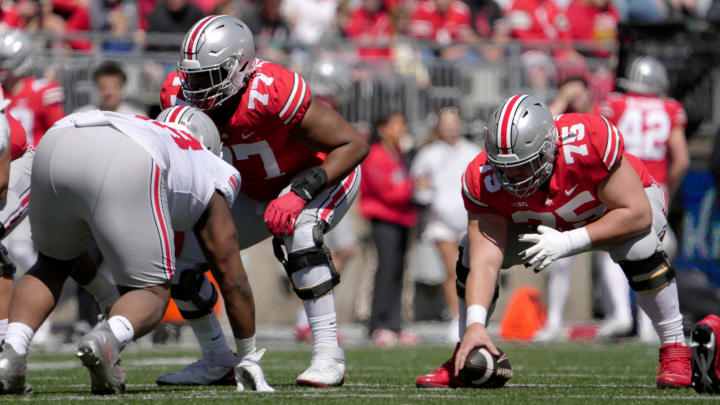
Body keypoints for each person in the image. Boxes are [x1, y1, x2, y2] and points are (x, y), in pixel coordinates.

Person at [416, 94, 691, 389]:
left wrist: (568, 242)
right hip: (545, 220)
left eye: (522, 165)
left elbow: (637, 213)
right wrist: (474, 324)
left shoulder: (589, 140)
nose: (511, 176)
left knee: (640, 245)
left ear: (549, 148)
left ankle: (676, 349)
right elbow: (485, 258)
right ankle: (465, 353)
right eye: (502, 167)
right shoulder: (481, 176)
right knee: (469, 253)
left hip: (615, 209)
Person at [157, 15, 368, 387]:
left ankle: (328, 356)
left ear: (240, 67)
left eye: (207, 77)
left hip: (319, 174)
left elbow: (353, 144)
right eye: (191, 76)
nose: (194, 88)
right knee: (177, 262)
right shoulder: (176, 93)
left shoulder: (272, 89)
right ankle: (217, 360)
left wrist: (301, 192)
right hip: (253, 188)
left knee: (300, 235)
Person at [0, 107, 272, 395]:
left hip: (58, 137)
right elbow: (232, 277)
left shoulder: (145, 127)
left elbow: (69, 256)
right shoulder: (210, 165)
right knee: (153, 292)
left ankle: (11, 353)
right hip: (128, 154)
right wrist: (247, 354)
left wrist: (105, 294)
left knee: (50, 266)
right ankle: (109, 338)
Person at [598, 56, 690, 341]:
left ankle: (620, 316)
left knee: (609, 248)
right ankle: (652, 324)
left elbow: (599, 143)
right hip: (654, 185)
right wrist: (667, 190)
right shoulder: (670, 107)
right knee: (658, 251)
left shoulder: (615, 103)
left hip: (621, 182)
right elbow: (682, 159)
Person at [294, 57, 359, 343]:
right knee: (324, 252)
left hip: (319, 184)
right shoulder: (322, 109)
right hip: (319, 186)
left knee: (335, 251)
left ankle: (311, 320)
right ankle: (309, 321)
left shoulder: (310, 104)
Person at [410, 107, 481, 343]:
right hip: (440, 222)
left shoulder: (473, 152)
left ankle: (474, 317)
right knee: (451, 271)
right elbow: (420, 190)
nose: (450, 127)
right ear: (438, 127)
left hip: (469, 221)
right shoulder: (428, 154)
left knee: (471, 271)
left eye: (454, 122)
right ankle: (456, 317)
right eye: (445, 123)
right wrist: (426, 192)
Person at [360, 111, 418, 347]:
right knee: (385, 270)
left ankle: (395, 324)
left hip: (403, 218)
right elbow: (386, 191)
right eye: (396, 124)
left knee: (397, 271)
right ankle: (378, 323)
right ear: (382, 128)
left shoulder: (399, 153)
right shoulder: (375, 154)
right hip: (384, 218)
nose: (401, 129)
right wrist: (413, 186)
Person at [74, 61, 145, 116]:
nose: (109, 93)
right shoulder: (82, 116)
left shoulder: (136, 117)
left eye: (114, 87)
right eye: (103, 87)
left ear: (122, 86)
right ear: (96, 87)